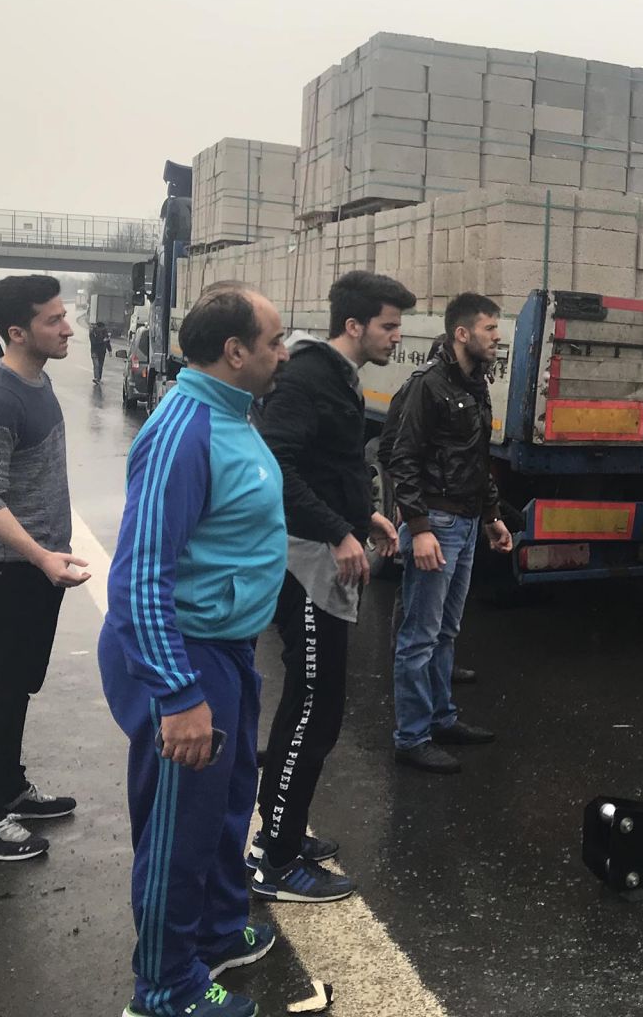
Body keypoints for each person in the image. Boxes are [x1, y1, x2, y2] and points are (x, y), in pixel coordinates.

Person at [99, 284, 289, 1017]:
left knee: (225, 804)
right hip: (185, 651)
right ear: (235, 352)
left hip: (227, 648)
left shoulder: (233, 413)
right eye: (273, 340)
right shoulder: (184, 428)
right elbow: (141, 574)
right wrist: (177, 694)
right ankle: (164, 988)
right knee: (178, 830)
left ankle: (214, 933)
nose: (282, 351)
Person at [250, 272, 410, 903]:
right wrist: (335, 532)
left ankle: (283, 829)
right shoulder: (310, 376)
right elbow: (276, 463)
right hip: (307, 561)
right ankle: (276, 859)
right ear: (354, 326)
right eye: (389, 326)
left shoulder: (338, 376)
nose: (397, 337)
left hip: (327, 547)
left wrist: (361, 515)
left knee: (320, 704)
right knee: (313, 706)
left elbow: (331, 463)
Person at [0, 276, 88, 861]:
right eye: (54, 320)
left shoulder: (37, 380)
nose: (68, 328)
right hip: (4, 570)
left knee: (14, 690)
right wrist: (41, 556)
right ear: (16, 333)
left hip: (32, 570)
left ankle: (7, 790)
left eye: (64, 315)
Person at [386, 294, 512, 774]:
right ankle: (411, 736)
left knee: (445, 632)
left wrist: (492, 516)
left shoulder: (476, 384)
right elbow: (403, 458)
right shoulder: (429, 386)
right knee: (419, 636)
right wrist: (418, 528)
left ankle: (441, 719)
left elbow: (476, 459)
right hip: (436, 523)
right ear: (462, 334)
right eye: (489, 329)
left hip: (463, 522)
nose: (497, 337)